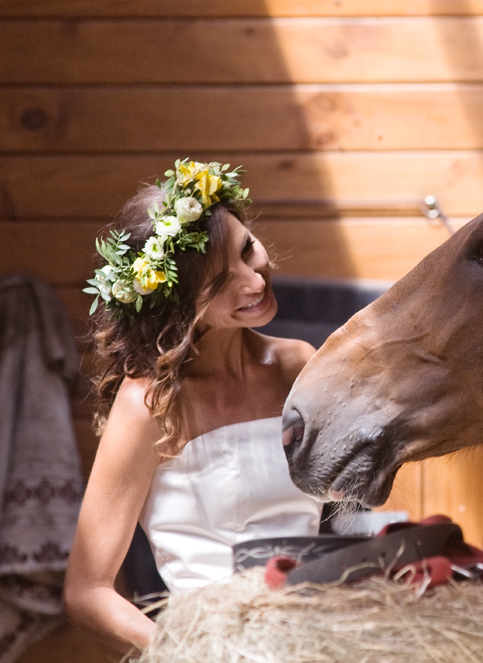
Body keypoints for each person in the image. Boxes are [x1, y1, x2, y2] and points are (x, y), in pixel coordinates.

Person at [64, 160, 321, 653]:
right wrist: (188, 653)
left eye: (249, 249)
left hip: (311, 640)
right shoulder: (149, 404)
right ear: (177, 301)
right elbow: (86, 592)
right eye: (222, 281)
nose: (254, 280)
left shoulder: (299, 366)